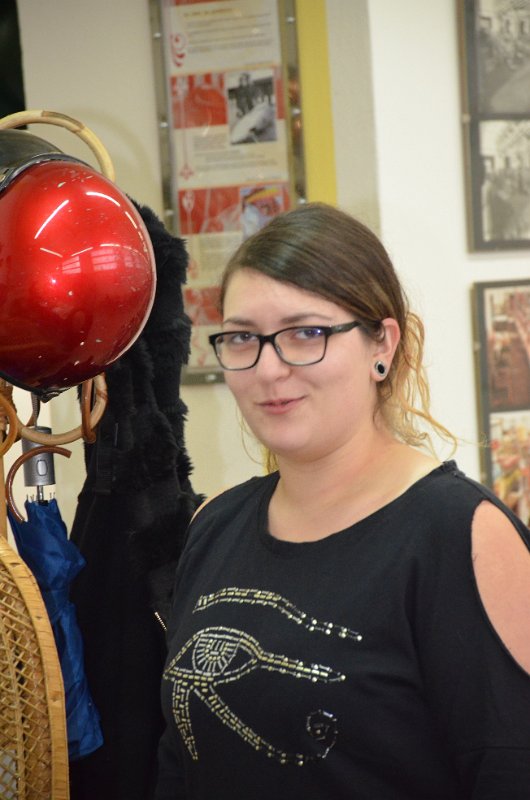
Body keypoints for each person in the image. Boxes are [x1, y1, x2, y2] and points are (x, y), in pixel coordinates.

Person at [154, 203, 530, 799]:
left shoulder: (461, 534)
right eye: (244, 337)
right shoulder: (214, 524)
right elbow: (179, 765)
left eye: (306, 333)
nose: (268, 369)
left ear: (383, 344)